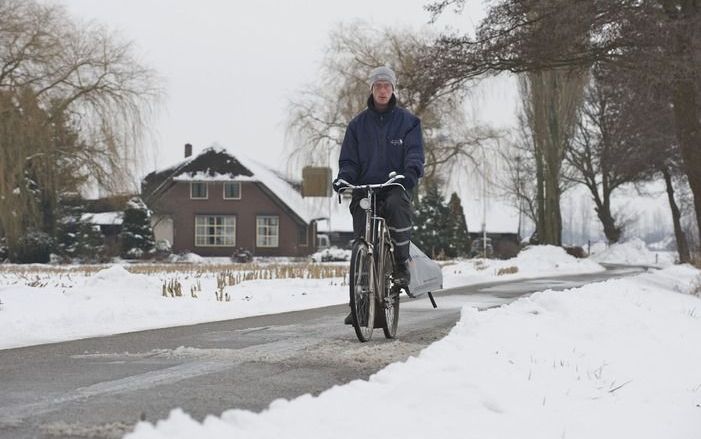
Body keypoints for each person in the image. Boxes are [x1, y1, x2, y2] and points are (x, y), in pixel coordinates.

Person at [333, 66, 425, 325]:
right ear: (371, 90)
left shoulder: (408, 122)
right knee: (362, 237)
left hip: (394, 185)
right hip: (366, 189)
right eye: (378, 86)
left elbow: (415, 155)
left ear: (393, 89)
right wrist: (344, 178)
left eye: (387, 86)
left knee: (397, 205)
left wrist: (410, 174)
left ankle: (401, 263)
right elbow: (349, 161)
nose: (383, 90)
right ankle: (360, 303)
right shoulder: (357, 126)